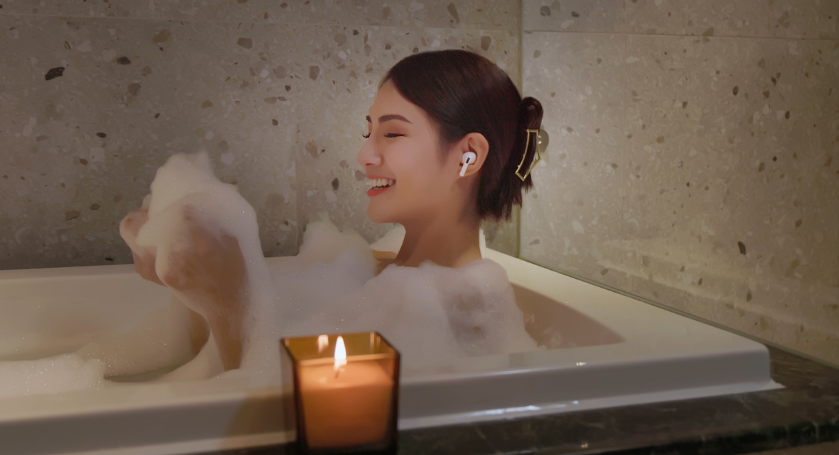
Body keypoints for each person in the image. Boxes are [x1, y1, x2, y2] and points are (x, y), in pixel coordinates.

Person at [120, 49, 544, 372]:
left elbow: (276, 422)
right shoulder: (368, 274)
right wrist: (188, 292)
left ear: (467, 156)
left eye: (392, 133)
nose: (364, 155)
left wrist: (227, 309)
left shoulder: (461, 312)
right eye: (368, 132)